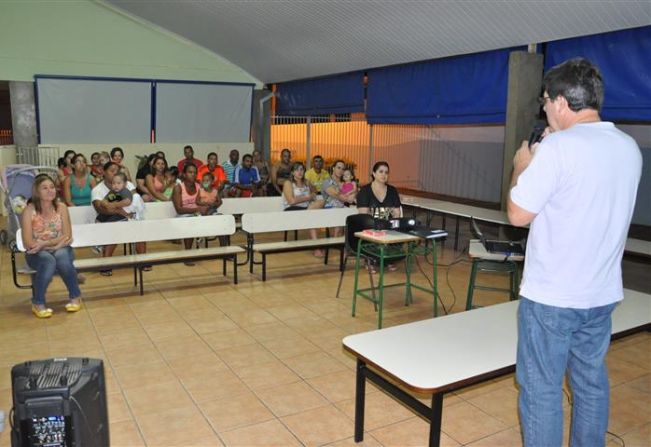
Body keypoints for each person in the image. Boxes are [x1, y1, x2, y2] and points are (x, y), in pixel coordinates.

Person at [507, 58, 642, 447]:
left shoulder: (558, 149)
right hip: (600, 294)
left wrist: (522, 166)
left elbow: (518, 214)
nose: (544, 108)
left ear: (562, 102)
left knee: (542, 390)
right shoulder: (628, 147)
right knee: (590, 384)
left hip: (552, 296)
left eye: (546, 101)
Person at [21, 174, 82, 318]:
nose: (50, 190)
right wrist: (50, 245)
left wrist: (45, 244)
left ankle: (75, 296)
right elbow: (28, 242)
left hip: (59, 248)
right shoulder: (29, 210)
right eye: (45, 188)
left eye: (52, 187)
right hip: (36, 253)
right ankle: (38, 303)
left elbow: (67, 235)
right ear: (37, 192)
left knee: (61, 257)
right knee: (48, 260)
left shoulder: (61, 207)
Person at [91, 162, 146, 275]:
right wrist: (114, 208)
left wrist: (114, 206)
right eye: (112, 170)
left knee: (139, 229)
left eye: (117, 170)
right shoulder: (98, 189)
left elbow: (132, 201)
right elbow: (100, 208)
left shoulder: (127, 185)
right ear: (104, 173)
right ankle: (106, 265)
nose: (115, 173)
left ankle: (143, 261)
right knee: (115, 230)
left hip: (128, 218)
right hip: (109, 220)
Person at [357, 161, 403, 272]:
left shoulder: (392, 191)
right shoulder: (365, 191)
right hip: (370, 226)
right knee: (370, 230)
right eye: (381, 171)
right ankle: (370, 259)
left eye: (386, 172)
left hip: (387, 226)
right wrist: (383, 217)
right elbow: (364, 215)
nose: (384, 175)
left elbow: (396, 214)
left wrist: (387, 220)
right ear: (373, 173)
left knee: (398, 229)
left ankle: (389, 259)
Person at [283, 161, 325, 256]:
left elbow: (315, 190)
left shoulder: (306, 182)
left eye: (301, 169)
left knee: (321, 202)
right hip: (291, 210)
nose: (300, 172)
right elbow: (291, 201)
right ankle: (316, 247)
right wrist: (308, 197)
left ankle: (316, 246)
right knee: (312, 214)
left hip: (306, 209)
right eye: (297, 170)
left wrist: (313, 194)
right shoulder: (288, 183)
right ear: (292, 172)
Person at [172, 164, 210, 253]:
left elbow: (205, 200)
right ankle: (188, 254)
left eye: (194, 172)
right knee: (191, 221)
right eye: (190, 172)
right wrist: (197, 210)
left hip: (197, 215)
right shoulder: (178, 187)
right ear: (184, 174)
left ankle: (224, 252)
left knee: (219, 218)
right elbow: (179, 209)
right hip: (183, 216)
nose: (193, 174)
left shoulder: (199, 186)